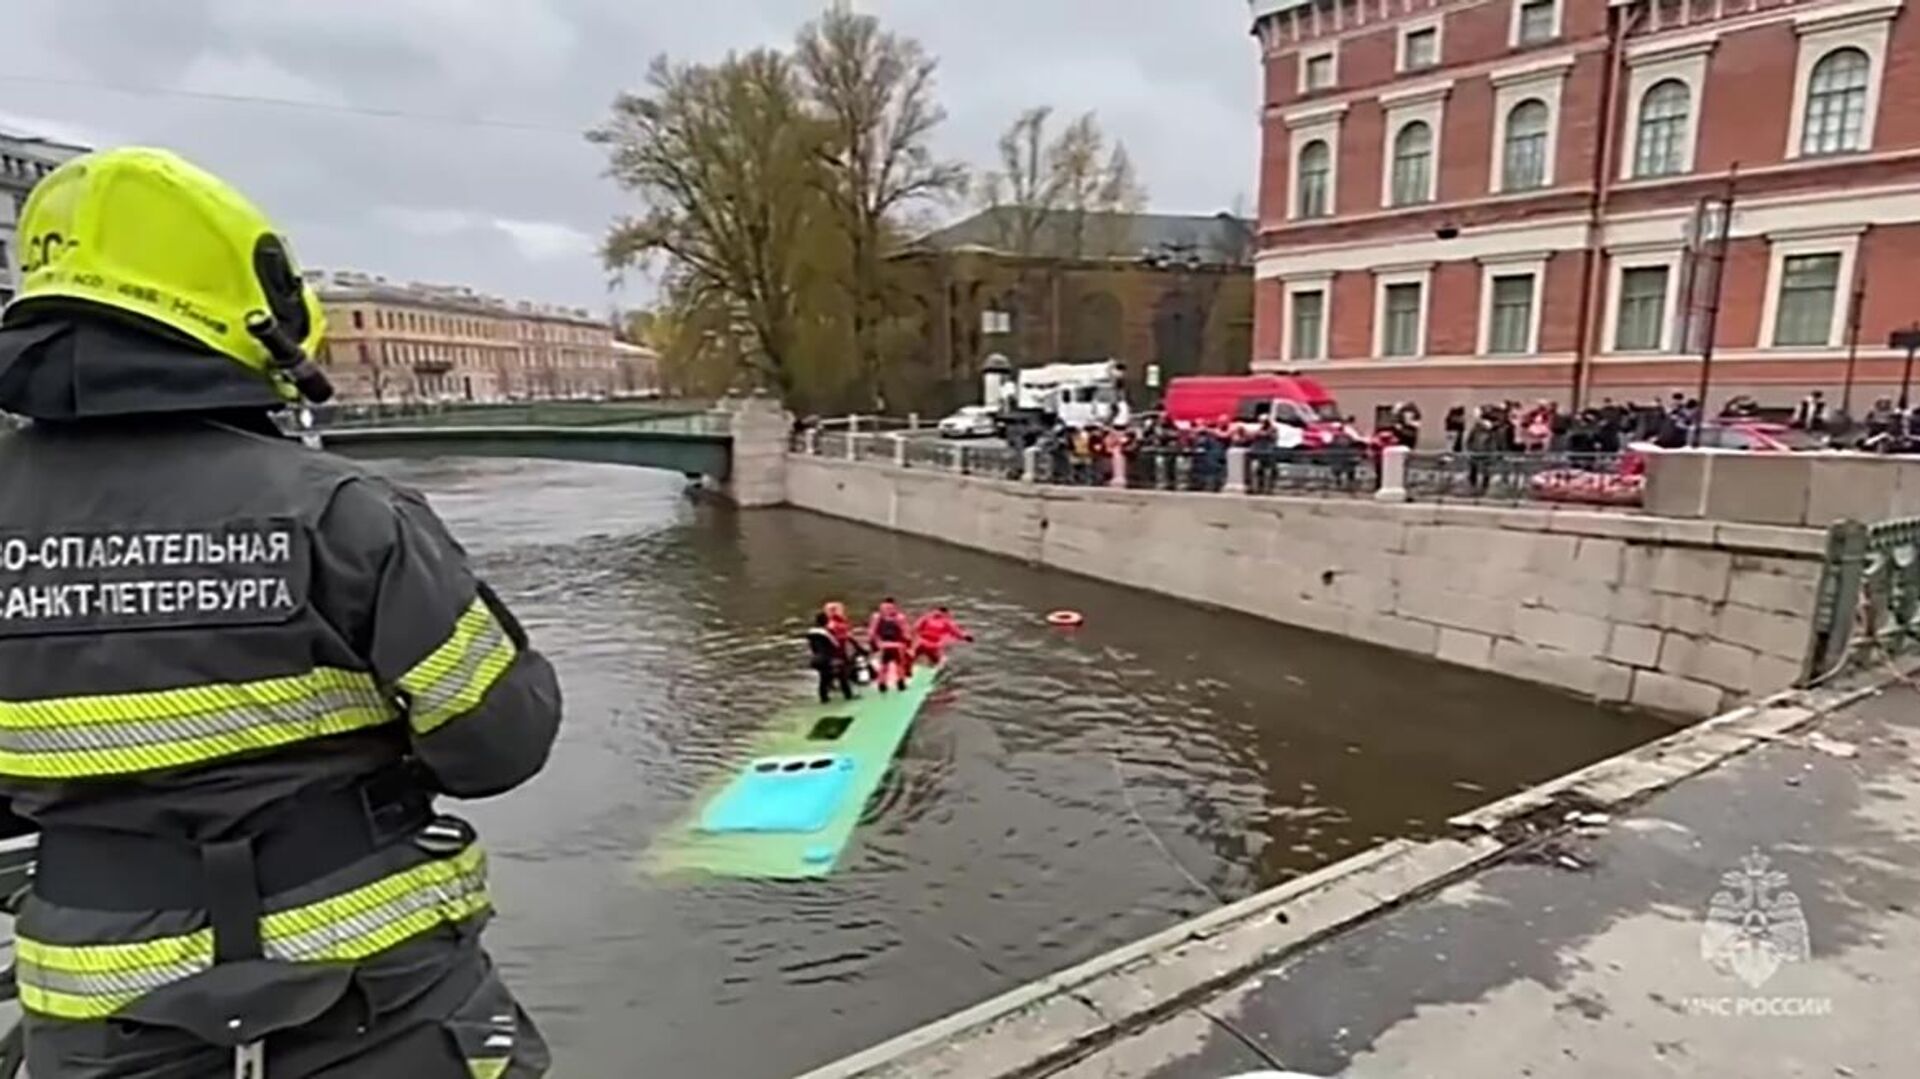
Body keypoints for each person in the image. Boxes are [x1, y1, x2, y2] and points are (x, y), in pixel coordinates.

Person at [0, 148, 558, 1076]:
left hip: (97, 1005)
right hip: (375, 994)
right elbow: (502, 743)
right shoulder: (340, 512)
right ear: (248, 307)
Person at [868, 599, 914, 692]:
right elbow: (872, 632)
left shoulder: (899, 618)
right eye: (885, 608)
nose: (887, 610)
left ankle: (898, 683)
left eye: (889, 608)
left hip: (895, 644)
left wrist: (907, 644)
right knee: (885, 665)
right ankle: (884, 684)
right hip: (886, 644)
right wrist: (875, 644)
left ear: (894, 608)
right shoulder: (877, 617)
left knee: (896, 665)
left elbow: (905, 632)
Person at [808, 613, 854, 703]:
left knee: (823, 679)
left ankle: (824, 699)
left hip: (816, 659)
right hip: (826, 658)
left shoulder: (810, 632)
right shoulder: (826, 632)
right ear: (826, 621)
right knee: (842, 675)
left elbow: (812, 647)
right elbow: (835, 644)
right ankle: (848, 696)